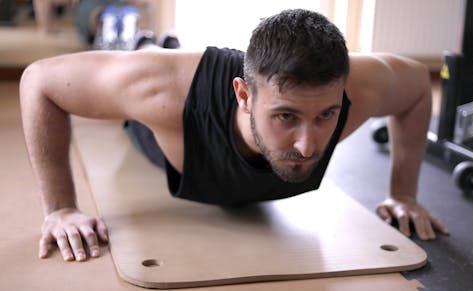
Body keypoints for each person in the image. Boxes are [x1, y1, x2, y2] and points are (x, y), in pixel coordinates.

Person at [20, 9, 448, 263]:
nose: (308, 144)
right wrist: (60, 208)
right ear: (243, 96)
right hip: (157, 104)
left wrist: (403, 194)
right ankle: (140, 37)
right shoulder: (161, 92)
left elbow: (414, 87)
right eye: (285, 116)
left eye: (326, 115)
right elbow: (40, 82)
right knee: (147, 55)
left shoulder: (362, 85)